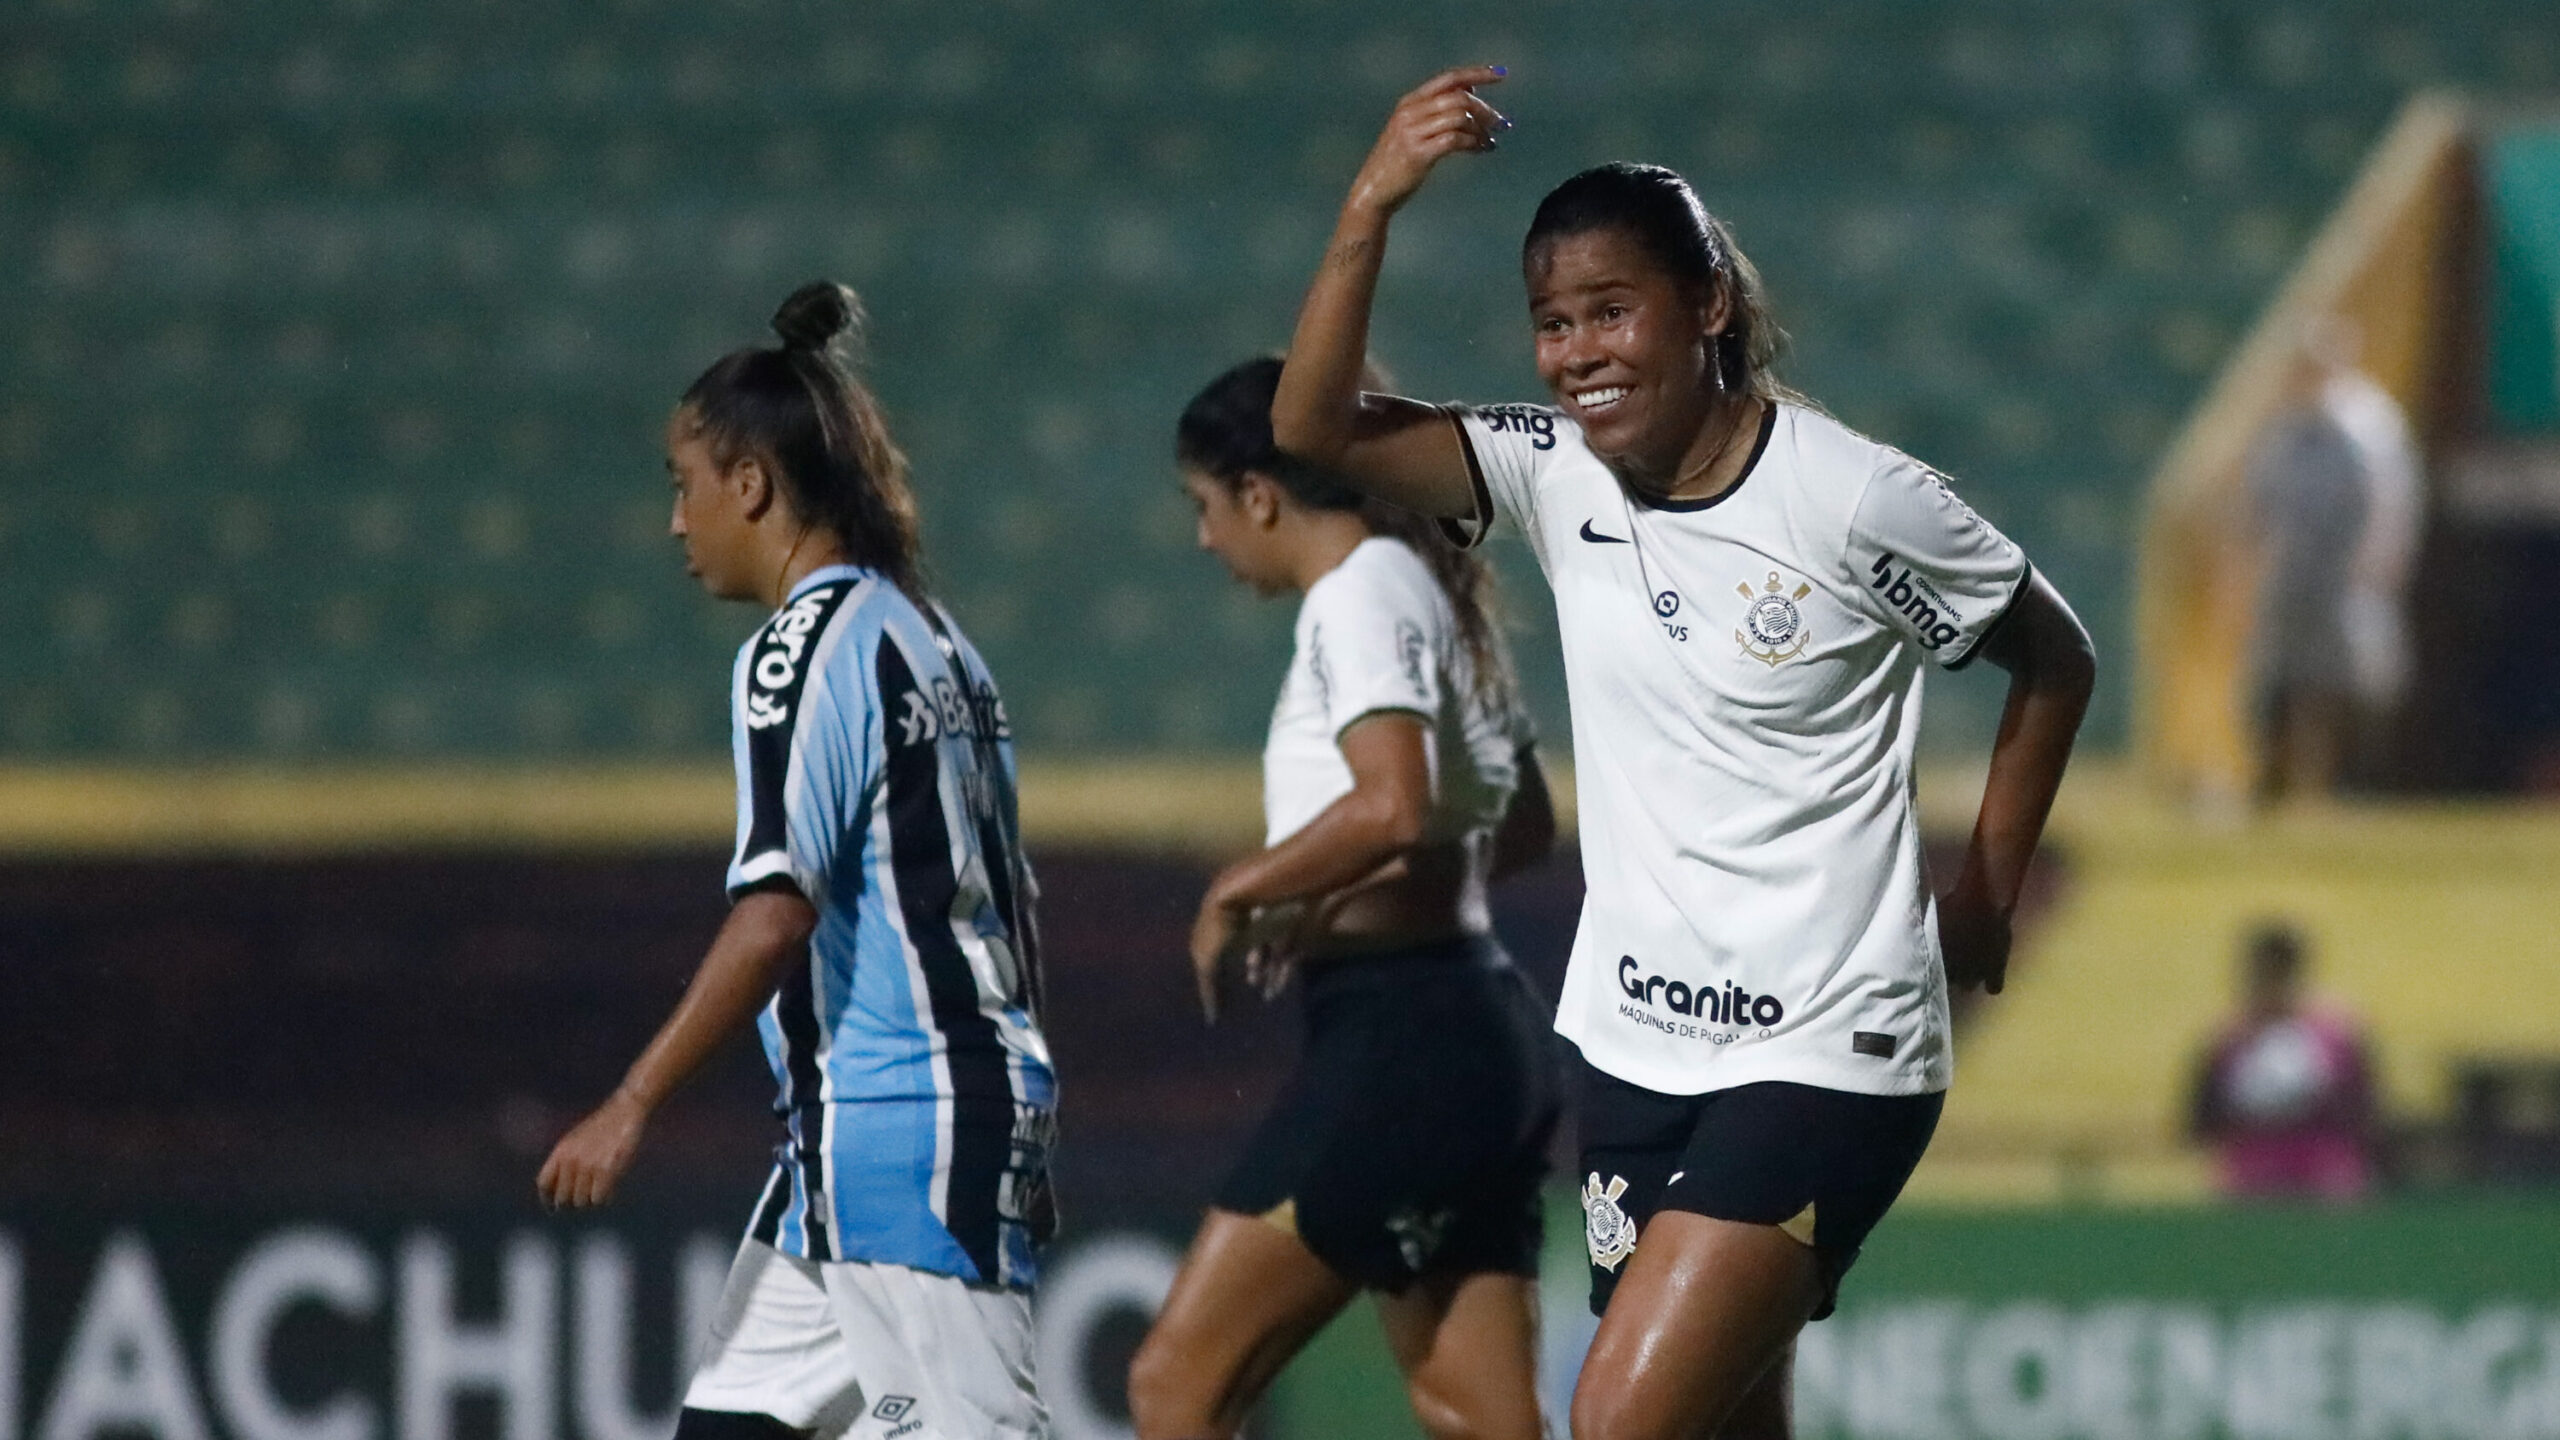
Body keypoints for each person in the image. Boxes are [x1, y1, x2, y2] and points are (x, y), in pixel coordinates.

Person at [1268, 68, 2098, 1440]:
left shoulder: (1854, 501)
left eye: (1609, 311)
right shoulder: (1555, 471)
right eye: (1550, 322)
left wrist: (1986, 889)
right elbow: (1310, 432)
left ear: (1708, 307)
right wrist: (1370, 207)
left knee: (1617, 1424)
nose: (1576, 352)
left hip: (1833, 1038)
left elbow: (2053, 657)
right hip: (1637, 1043)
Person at [537, 282, 1056, 1440]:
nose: (677, 521)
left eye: (684, 486)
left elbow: (775, 912)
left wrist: (631, 1102)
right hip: (861, 1135)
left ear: (751, 483)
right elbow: (1012, 899)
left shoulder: (797, 650)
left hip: (902, 1125)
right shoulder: (936, 640)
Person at [1126, 356, 1562, 1440]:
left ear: (1260, 494)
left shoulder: (1358, 593)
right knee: (1475, 1410)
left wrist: (1244, 888)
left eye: (1204, 507)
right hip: (1476, 1030)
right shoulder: (1430, 592)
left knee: (1175, 1386)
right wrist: (1329, 903)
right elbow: (1518, 831)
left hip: (1401, 1041)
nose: (1204, 539)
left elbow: (1393, 804)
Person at [2245, 316, 2423, 800]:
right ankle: (2275, 780)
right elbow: (2261, 502)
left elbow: (2389, 504)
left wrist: (2377, 566)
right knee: (2280, 676)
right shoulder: (2286, 426)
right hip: (2293, 574)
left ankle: (2360, 784)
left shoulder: (2369, 425)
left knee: (2356, 680)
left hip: (2351, 576)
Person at [2187, 922, 2377, 1200]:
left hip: (2325, 1173)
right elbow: (2201, 1116)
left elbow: (2365, 1106)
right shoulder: (2230, 1036)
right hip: (2252, 1175)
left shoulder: (2335, 1032)